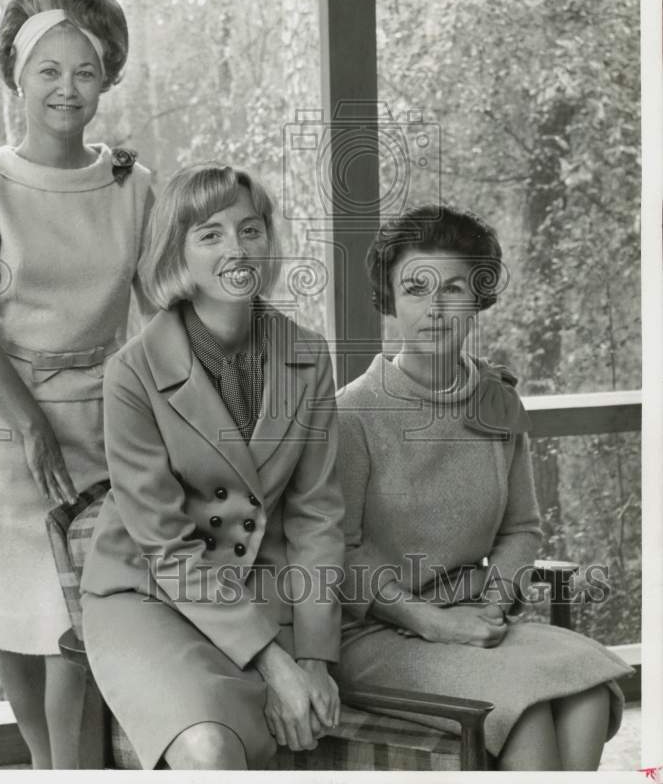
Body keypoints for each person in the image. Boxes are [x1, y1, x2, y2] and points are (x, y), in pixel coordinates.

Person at [334, 203, 632, 771]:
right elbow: (336, 552)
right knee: (526, 717)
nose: (436, 308)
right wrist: (433, 620)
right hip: (377, 636)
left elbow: (523, 527)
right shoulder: (351, 414)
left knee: (591, 692)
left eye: (454, 288)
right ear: (389, 299)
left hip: (478, 618)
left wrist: (491, 606)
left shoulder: (497, 400)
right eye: (416, 288)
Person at [0, 0, 154, 769]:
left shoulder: (132, 188)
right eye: (48, 72)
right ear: (17, 79)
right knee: (19, 626)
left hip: (98, 427)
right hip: (2, 432)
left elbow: (169, 308)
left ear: (108, 78)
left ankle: (69, 770)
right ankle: (44, 762)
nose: (67, 90)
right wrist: (29, 423)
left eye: (85, 72)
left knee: (79, 622)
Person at [81, 162, 346, 770]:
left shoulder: (308, 353)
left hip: (260, 589)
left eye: (250, 230)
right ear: (178, 254)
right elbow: (166, 550)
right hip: (148, 598)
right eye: (211, 235)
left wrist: (313, 656)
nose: (237, 250)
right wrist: (273, 663)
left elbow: (317, 518)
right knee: (207, 750)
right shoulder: (132, 372)